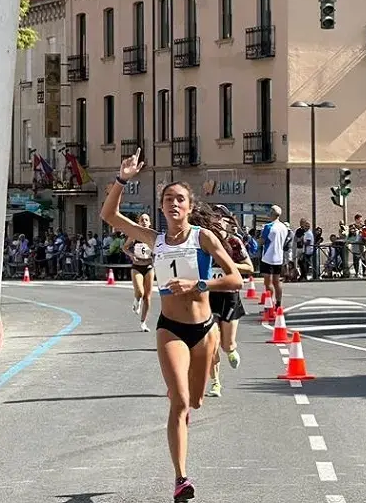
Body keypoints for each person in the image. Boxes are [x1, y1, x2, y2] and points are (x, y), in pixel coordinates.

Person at [100, 149, 243, 502]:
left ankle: (195, 389)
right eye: (168, 200)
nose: (173, 204)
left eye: (179, 199)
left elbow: (236, 278)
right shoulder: (155, 239)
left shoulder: (203, 238)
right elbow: (109, 215)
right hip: (171, 328)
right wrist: (122, 179)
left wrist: (200, 285)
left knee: (194, 400)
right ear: (162, 208)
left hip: (204, 329)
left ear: (189, 206)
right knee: (178, 402)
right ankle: (181, 479)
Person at [206, 206, 254, 397]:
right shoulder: (204, 241)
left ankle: (231, 349)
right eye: (213, 218)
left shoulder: (234, 242)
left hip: (229, 295)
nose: (217, 221)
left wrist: (228, 265)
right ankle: (216, 383)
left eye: (220, 218)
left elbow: (249, 267)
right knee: (210, 343)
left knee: (227, 344)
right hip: (209, 296)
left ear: (226, 221)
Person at [123, 213, 155, 331]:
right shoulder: (134, 235)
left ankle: (143, 322)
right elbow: (124, 247)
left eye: (147, 219)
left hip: (149, 266)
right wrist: (131, 255)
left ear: (150, 222)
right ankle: (137, 300)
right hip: (137, 266)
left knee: (148, 297)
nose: (144, 222)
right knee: (140, 292)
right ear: (139, 222)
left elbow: (160, 250)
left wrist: (155, 257)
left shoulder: (153, 236)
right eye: (142, 220)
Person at [259, 205, 290, 307]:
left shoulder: (268, 227)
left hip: (268, 257)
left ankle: (270, 304)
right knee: (277, 281)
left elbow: (262, 242)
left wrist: (258, 239)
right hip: (279, 257)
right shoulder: (284, 227)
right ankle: (278, 303)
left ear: (271, 214)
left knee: (268, 283)